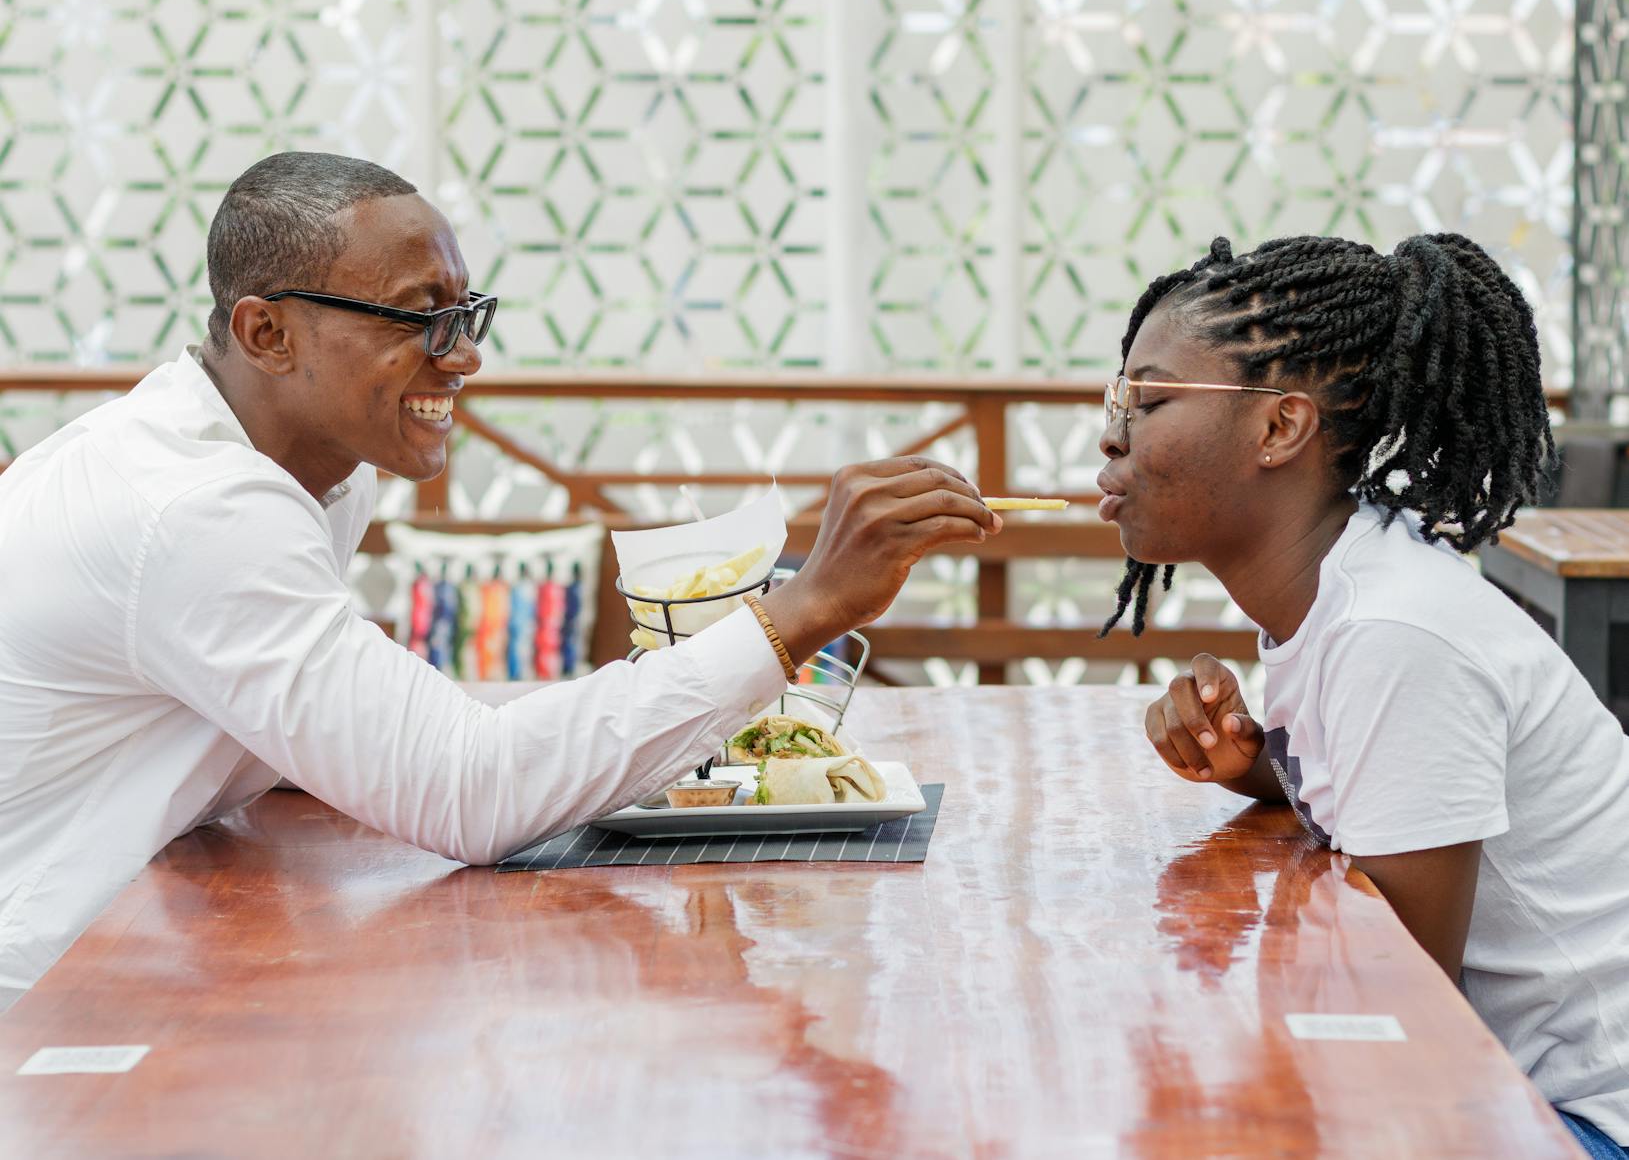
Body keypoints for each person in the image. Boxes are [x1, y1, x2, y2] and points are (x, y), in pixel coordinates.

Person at [0, 151, 1001, 1011]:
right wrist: (802, 608)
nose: (466, 355)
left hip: (134, 953)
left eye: (468, 311)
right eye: (420, 318)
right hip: (53, 1017)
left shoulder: (298, 471)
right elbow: (470, 792)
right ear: (268, 334)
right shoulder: (197, 510)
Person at [1101, 233, 1629, 1155]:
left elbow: (1389, 1008)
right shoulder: (1344, 593)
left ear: (1278, 428)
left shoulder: (1394, 632)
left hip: (1578, 1119)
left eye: (1147, 399)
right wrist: (1258, 765)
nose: (1111, 432)